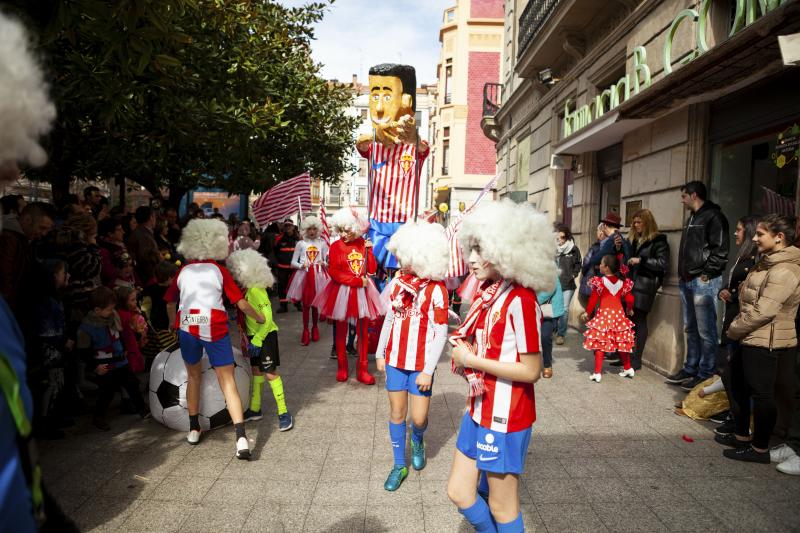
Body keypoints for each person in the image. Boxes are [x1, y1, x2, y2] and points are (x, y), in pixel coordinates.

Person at [447, 199, 553, 532]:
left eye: (481, 249)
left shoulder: (521, 300)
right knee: (459, 491)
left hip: (506, 416)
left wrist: (472, 359)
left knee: (502, 506)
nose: (472, 258)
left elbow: (532, 370)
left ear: (505, 250)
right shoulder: (490, 291)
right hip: (478, 407)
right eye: (471, 248)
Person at [165, 219, 265, 459]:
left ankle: (193, 429)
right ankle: (241, 437)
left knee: (192, 376)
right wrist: (259, 316)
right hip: (214, 325)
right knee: (227, 380)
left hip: (188, 324)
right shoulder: (219, 271)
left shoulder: (183, 270)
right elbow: (239, 302)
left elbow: (169, 300)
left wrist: (172, 322)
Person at [375, 222, 450, 491]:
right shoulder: (397, 282)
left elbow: (441, 333)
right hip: (396, 361)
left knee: (418, 419)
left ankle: (417, 438)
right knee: (397, 414)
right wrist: (380, 352)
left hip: (420, 365)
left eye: (405, 256)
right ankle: (399, 465)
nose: (400, 261)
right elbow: (390, 319)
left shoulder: (437, 290)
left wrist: (428, 370)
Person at [723, 214, 800, 464]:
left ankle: (759, 448)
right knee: (734, 380)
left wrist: (734, 329)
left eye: (760, 234)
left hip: (768, 340)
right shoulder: (765, 262)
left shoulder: (785, 269)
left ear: (779, 238)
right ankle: (743, 436)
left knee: (762, 394)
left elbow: (764, 310)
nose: (753, 238)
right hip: (752, 336)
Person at [355, 63, 430, 269]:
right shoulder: (372, 145)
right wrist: (375, 134)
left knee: (402, 279)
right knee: (374, 277)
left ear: (406, 101)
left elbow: (423, 147)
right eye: (375, 96)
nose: (379, 107)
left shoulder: (414, 147)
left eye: (387, 97)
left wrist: (411, 135)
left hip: (405, 226)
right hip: (377, 225)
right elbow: (360, 144)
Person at [668, 180, 729, 390]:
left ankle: (705, 372)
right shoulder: (692, 217)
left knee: (706, 330)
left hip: (703, 280)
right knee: (691, 328)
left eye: (684, 196)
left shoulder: (714, 216)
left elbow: (720, 250)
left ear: (694, 195)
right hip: (687, 280)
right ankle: (691, 367)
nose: (681, 200)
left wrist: (706, 274)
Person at [312, 208, 385, 384]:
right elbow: (334, 272)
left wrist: (370, 252)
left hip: (363, 294)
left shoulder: (363, 243)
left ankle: (363, 370)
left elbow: (372, 269)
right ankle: (342, 368)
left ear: (356, 228)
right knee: (341, 330)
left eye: (348, 230)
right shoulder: (336, 246)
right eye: (341, 230)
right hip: (342, 291)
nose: (344, 234)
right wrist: (357, 282)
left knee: (362, 330)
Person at [227, 249, 293, 431]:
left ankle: (283, 412)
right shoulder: (247, 288)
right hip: (254, 337)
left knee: (270, 372)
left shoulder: (256, 289)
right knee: (256, 371)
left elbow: (268, 317)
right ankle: (255, 409)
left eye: (235, 273)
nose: (233, 276)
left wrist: (257, 339)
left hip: (264, 335)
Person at [76, 286, 150, 430]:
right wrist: (95, 366)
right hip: (104, 365)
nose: (112, 312)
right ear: (97, 310)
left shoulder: (113, 316)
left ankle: (143, 409)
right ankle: (98, 417)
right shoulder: (87, 328)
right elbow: (84, 351)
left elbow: (120, 333)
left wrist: (125, 348)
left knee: (132, 383)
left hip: (121, 359)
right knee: (107, 392)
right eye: (109, 309)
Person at [714, 216, 759, 435]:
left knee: (732, 373)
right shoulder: (742, 257)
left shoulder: (754, 260)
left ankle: (738, 420)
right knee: (727, 372)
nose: (735, 233)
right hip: (730, 320)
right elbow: (732, 285)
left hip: (739, 324)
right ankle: (735, 415)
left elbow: (746, 293)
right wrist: (723, 290)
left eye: (739, 230)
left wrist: (732, 293)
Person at [624, 208, 669, 370]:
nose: (636, 225)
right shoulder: (636, 240)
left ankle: (636, 360)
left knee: (639, 321)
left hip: (645, 286)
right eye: (634, 222)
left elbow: (663, 264)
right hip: (632, 285)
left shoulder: (659, 241)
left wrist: (641, 260)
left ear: (647, 223)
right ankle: (627, 356)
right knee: (629, 321)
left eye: (639, 222)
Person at [580, 254, 636, 382]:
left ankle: (597, 373)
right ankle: (628, 368)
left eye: (601, 263)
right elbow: (629, 298)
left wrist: (587, 312)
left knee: (600, 343)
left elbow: (593, 299)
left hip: (604, 316)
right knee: (621, 342)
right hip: (619, 316)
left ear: (606, 268)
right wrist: (629, 308)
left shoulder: (599, 282)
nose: (599, 265)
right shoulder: (623, 282)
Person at [287, 215, 330, 345]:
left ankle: (315, 328)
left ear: (318, 230)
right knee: (306, 305)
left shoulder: (322, 243)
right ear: (305, 229)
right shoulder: (301, 244)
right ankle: (305, 331)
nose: (312, 232)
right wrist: (301, 265)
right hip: (304, 276)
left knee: (316, 305)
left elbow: (326, 260)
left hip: (318, 276)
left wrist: (324, 263)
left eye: (314, 229)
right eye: (309, 229)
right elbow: (293, 262)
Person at [141, 261, 179, 361]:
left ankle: (154, 362)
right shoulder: (171, 291)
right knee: (170, 346)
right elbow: (172, 306)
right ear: (170, 278)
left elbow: (144, 307)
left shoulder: (149, 289)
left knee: (156, 346)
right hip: (167, 324)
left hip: (154, 324)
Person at [554, 225, 580, 345]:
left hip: (568, 284)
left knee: (564, 309)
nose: (560, 240)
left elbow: (578, 264)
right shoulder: (553, 249)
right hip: (554, 283)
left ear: (567, 237)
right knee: (555, 308)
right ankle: (554, 328)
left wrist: (573, 275)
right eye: (558, 237)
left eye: (563, 237)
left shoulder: (573, 249)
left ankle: (561, 334)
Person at [537, 273, 564, 379]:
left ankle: (547, 364)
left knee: (545, 336)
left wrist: (532, 299)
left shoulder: (549, 268)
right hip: (528, 309)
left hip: (546, 311)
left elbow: (549, 290)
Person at [115, 286, 147, 374]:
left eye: (135, 299)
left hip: (132, 340)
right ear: (123, 301)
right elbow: (133, 328)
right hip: (129, 341)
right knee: (133, 358)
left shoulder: (127, 311)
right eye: (132, 300)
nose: (136, 302)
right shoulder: (125, 315)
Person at [126, 206, 161, 287]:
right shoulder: (143, 235)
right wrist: (158, 257)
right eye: (154, 216)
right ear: (151, 217)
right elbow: (146, 257)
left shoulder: (142, 232)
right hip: (146, 277)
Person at [273, 219, 300, 313]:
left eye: (289, 225)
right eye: (286, 226)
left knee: (296, 286)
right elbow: (273, 252)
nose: (288, 227)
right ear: (284, 227)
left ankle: (298, 304)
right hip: (282, 267)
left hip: (295, 267)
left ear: (293, 227)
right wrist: (276, 263)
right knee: (282, 287)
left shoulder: (298, 239)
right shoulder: (278, 238)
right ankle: (283, 306)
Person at [579, 224, 605, 299]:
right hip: (602, 282)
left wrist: (584, 272)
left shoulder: (596, 247)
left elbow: (586, 262)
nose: (596, 233)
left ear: (601, 232)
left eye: (597, 231)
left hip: (593, 280)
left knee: (593, 304)